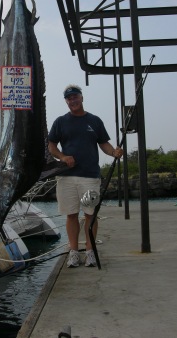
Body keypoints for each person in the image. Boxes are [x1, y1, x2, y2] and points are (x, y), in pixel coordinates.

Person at [48, 84, 123, 268]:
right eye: (69, 98)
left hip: (90, 176)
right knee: (71, 215)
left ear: (82, 98)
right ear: (66, 101)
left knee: (90, 214)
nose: (73, 100)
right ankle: (74, 251)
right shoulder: (60, 121)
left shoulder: (95, 121)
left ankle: (90, 251)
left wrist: (114, 152)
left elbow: (104, 144)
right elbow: (51, 146)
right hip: (66, 177)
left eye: (75, 96)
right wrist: (63, 157)